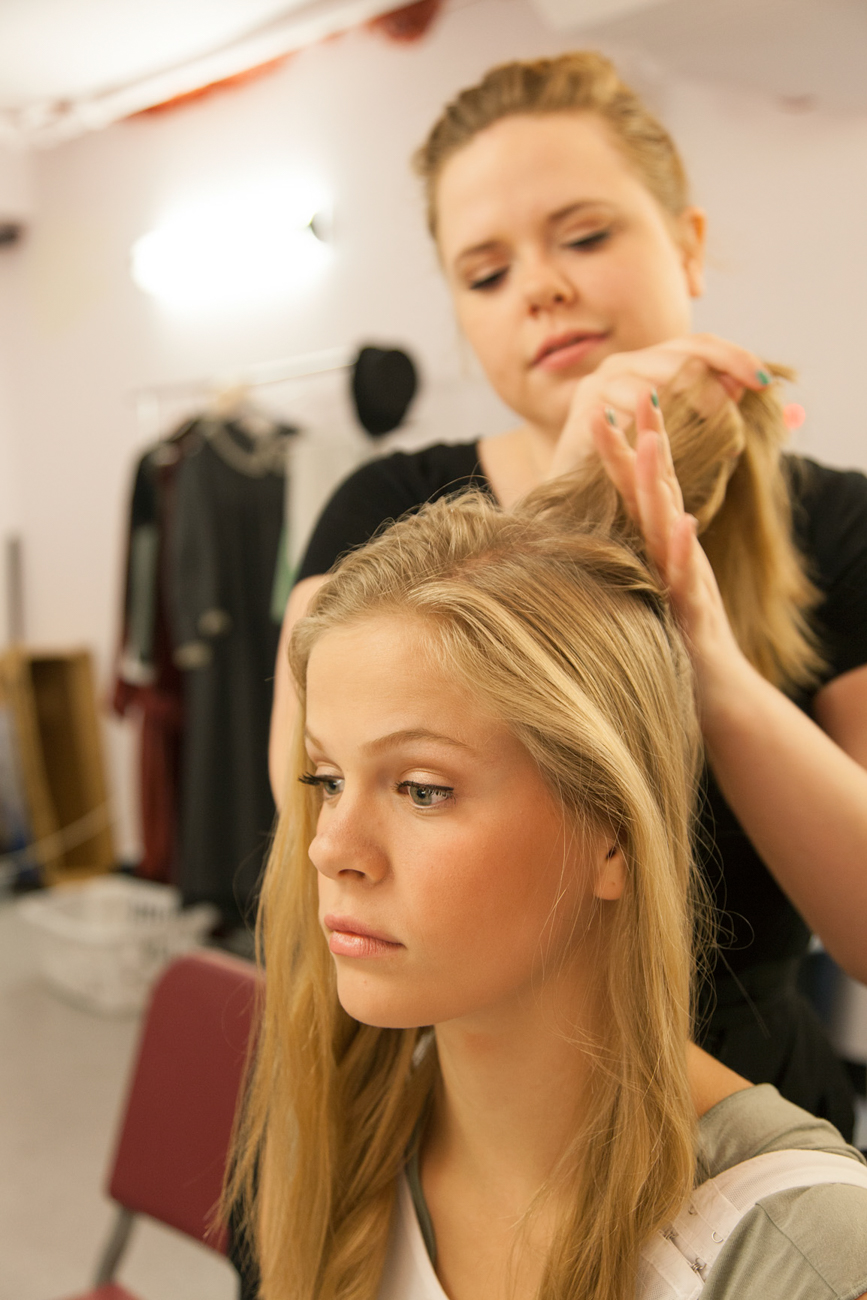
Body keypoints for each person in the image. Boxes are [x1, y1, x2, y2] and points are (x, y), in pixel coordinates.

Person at [268, 51, 867, 1139]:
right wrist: (576, 515)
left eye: (584, 237)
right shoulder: (383, 509)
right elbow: (311, 839)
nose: (539, 287)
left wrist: (707, 658)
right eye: (485, 274)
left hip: (741, 1110)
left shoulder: (841, 524)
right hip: (456, 1107)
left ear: (687, 242)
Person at [228, 393, 867, 1300]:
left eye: (422, 789)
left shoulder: (793, 1256)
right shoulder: (348, 1133)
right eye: (326, 779)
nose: (331, 849)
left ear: (616, 836)